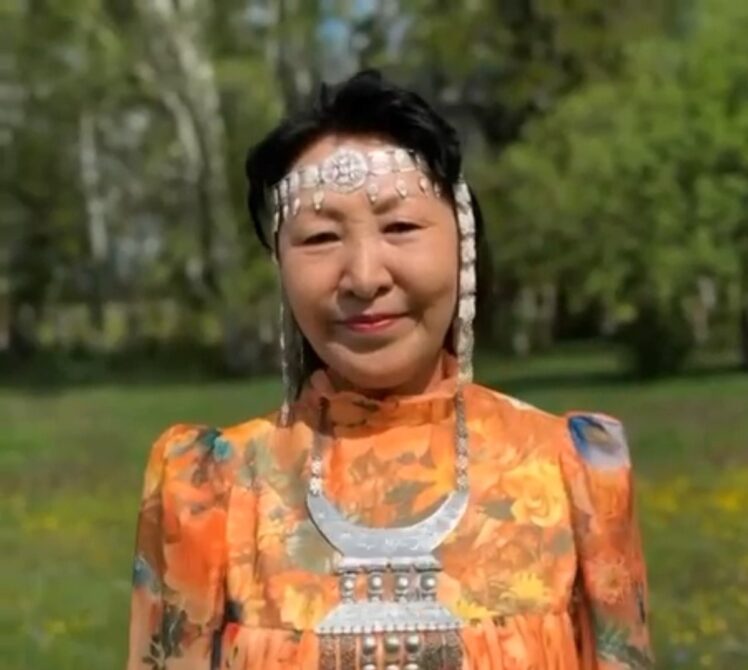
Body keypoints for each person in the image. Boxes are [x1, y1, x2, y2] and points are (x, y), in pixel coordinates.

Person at [126, 70, 653, 670]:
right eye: (320, 238)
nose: (364, 277)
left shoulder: (572, 471)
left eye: (400, 227)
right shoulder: (210, 489)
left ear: (464, 245)